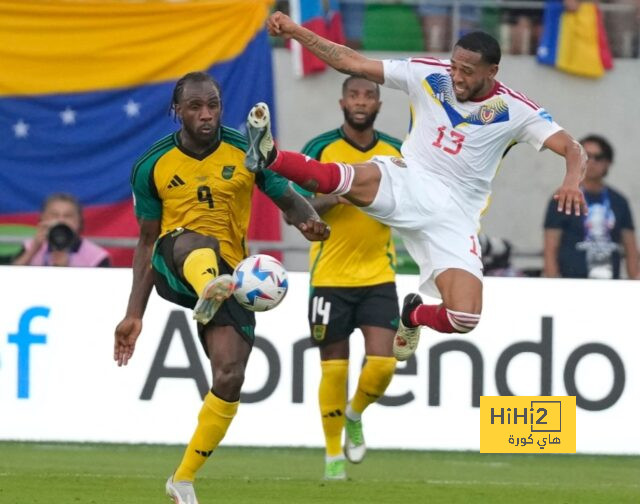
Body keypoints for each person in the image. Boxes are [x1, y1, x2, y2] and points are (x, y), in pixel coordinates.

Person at [245, 12, 588, 364]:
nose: (455, 76)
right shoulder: (429, 74)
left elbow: (573, 148)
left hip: (454, 217)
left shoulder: (516, 110)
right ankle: (269, 154)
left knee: (464, 318)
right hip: (408, 181)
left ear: (492, 72)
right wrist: (296, 31)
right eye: (454, 66)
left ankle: (413, 316)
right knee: (339, 177)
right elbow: (353, 62)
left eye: (467, 71)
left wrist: (571, 182)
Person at [113, 71, 329, 504]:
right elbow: (146, 239)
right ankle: (208, 286)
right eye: (195, 106)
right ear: (177, 110)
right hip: (175, 265)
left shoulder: (246, 151)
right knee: (197, 241)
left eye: (212, 104)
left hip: (234, 275)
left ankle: (183, 478)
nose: (206, 114)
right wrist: (134, 313)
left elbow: (286, 195)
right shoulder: (151, 166)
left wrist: (307, 219)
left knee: (230, 377)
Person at [296, 76, 402, 479]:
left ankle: (355, 413)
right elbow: (296, 204)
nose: (361, 101)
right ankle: (332, 456)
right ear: (342, 101)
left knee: (383, 365)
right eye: (354, 95)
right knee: (333, 370)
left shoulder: (395, 151)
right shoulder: (320, 149)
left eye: (368, 95)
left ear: (378, 103)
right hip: (330, 279)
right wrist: (336, 194)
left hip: (378, 274)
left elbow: (414, 198)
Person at [543, 134, 639, 279]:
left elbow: (631, 249)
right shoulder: (563, 197)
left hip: (610, 286)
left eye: (598, 157)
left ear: (608, 162)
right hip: (572, 285)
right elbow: (550, 248)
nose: (592, 162)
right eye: (586, 156)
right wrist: (552, 283)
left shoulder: (619, 201)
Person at [12, 192, 111, 267]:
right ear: (42, 218)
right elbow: (8, 281)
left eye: (68, 216)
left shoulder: (96, 257)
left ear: (79, 221)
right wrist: (33, 250)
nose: (61, 220)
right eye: (54, 215)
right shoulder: (29, 247)